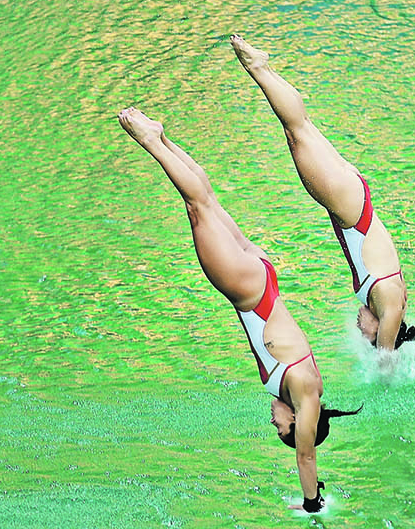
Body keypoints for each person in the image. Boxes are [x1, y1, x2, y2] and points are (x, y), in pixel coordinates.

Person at [116, 106, 360, 512]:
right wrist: (312, 503)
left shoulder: (307, 389)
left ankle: (162, 138)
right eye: (282, 428)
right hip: (249, 292)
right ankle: (150, 141)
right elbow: (306, 456)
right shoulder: (306, 397)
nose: (274, 423)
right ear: (299, 424)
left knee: (205, 202)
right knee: (197, 206)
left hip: (260, 279)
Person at [230, 35, 415, 352]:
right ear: (382, 331)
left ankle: (264, 67)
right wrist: (388, 360)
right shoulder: (390, 307)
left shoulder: (392, 299)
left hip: (354, 200)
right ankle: (258, 68)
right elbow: (385, 361)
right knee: (295, 130)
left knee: (300, 127)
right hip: (350, 210)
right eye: (367, 334)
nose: (361, 330)